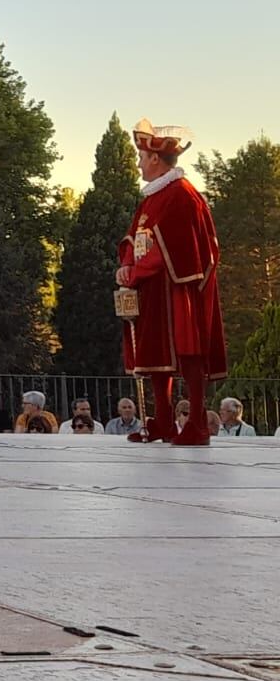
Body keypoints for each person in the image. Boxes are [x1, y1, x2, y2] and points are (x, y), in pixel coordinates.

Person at [116, 120, 226, 447]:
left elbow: (174, 249)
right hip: (153, 288)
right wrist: (125, 267)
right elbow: (134, 237)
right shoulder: (153, 196)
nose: (137, 163)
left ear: (155, 159)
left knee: (188, 352)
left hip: (178, 289)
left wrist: (134, 272)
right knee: (155, 356)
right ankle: (164, 421)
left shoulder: (182, 195)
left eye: (140, 156)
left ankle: (197, 425)